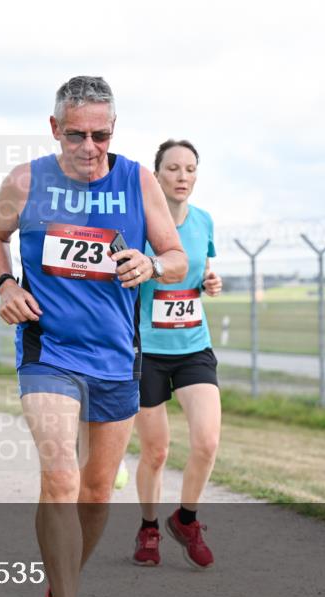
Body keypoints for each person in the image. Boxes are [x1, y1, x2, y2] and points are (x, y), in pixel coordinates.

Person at [0, 76, 187, 597]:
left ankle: (60, 580)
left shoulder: (137, 180)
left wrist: (150, 263)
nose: (90, 146)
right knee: (62, 477)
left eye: (101, 134)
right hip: (48, 350)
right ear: (55, 129)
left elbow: (175, 259)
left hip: (117, 356)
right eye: (77, 134)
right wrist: (4, 284)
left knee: (97, 491)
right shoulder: (26, 180)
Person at [129, 139, 223, 570]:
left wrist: (209, 282)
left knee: (206, 441)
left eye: (189, 169)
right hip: (148, 350)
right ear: (157, 174)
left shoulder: (204, 221)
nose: (182, 177)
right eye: (172, 169)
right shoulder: (138, 223)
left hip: (192, 346)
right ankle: (149, 527)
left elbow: (199, 270)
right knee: (157, 453)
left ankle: (186, 519)